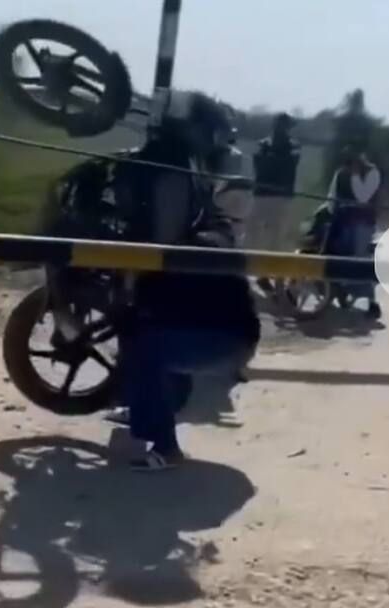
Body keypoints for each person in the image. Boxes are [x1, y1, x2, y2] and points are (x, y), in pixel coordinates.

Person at [116, 93, 262, 471]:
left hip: (226, 341)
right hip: (225, 333)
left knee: (144, 345)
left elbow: (160, 242)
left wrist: (133, 267)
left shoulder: (191, 240)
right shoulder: (202, 221)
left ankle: (166, 447)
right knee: (145, 332)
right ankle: (147, 412)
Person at [326, 149, 382, 319]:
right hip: (343, 221)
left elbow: (363, 197)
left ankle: (372, 304)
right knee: (339, 257)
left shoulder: (372, 173)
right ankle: (341, 292)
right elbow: (332, 196)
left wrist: (356, 176)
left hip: (362, 224)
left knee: (360, 260)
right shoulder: (341, 173)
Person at [251, 113, 301, 293]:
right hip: (264, 196)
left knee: (279, 242)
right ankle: (264, 277)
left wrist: (272, 159)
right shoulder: (263, 145)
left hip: (281, 198)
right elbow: (261, 167)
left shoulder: (293, 147)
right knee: (260, 239)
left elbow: (286, 168)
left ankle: (277, 282)